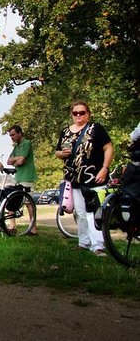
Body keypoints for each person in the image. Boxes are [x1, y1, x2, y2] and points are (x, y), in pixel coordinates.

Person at [55, 101, 113, 256]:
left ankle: (98, 245)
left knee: (95, 212)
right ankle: (84, 242)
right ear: (71, 114)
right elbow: (57, 152)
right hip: (74, 178)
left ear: (88, 113)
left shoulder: (96, 129)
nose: (79, 116)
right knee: (80, 212)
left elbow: (108, 147)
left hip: (95, 177)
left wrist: (104, 168)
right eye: (75, 113)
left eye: (82, 112)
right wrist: (62, 154)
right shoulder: (66, 131)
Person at [7, 125, 38, 235]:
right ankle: (12, 226)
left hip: (27, 177)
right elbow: (8, 161)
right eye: (10, 135)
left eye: (13, 135)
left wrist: (17, 160)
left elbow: (21, 162)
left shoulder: (27, 143)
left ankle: (33, 229)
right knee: (11, 200)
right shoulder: (16, 147)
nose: (12, 137)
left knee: (29, 203)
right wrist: (17, 159)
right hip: (18, 177)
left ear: (20, 133)